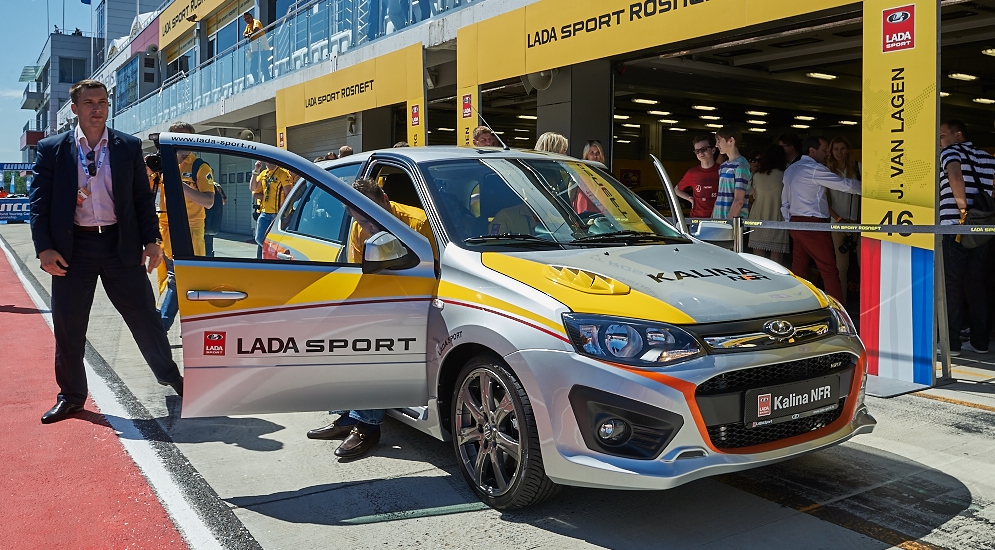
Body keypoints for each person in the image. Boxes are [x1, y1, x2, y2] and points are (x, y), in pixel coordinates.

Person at [30, 80, 182, 424]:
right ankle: (71, 397)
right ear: (75, 108)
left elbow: (142, 198)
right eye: (89, 103)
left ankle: (172, 378)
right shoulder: (52, 149)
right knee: (68, 326)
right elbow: (39, 204)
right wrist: (44, 249)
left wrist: (152, 240)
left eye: (102, 102)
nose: (97, 108)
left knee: (145, 318)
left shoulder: (127, 146)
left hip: (119, 244)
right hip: (73, 248)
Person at [307, 178, 434, 458]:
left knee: (374, 342)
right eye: (362, 221)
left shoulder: (418, 224)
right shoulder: (359, 229)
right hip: (380, 301)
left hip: (414, 303)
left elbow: (433, 273)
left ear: (385, 200)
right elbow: (360, 275)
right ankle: (348, 416)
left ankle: (367, 425)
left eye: (373, 217)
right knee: (341, 337)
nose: (369, 227)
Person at [150, 122, 216, 330]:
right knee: (181, 282)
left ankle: (161, 327)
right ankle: (192, 326)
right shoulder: (162, 166)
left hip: (189, 233)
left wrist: (178, 185)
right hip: (165, 232)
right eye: (178, 139)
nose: (182, 144)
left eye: (187, 139)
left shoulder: (200, 167)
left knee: (178, 280)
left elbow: (209, 201)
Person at [780, 136, 861, 303]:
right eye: (824, 150)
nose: (827, 154)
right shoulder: (815, 169)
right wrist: (874, 190)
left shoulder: (791, 169)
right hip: (814, 224)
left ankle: (798, 305)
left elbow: (784, 202)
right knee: (829, 270)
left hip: (795, 223)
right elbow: (845, 185)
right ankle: (837, 310)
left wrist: (790, 222)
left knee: (799, 269)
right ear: (812, 150)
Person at [939, 120, 995, 355]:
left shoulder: (950, 152)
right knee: (977, 285)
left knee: (951, 285)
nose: (939, 141)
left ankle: (951, 344)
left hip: (955, 227)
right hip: (983, 231)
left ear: (958, 134)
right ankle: (980, 342)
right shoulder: (988, 158)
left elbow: (955, 176)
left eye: (942, 135)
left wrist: (963, 212)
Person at [826, 136, 862, 298]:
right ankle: (842, 303)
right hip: (837, 222)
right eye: (836, 149)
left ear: (848, 150)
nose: (839, 152)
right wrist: (839, 219)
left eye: (842, 149)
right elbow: (823, 201)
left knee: (864, 265)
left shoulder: (858, 168)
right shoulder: (827, 171)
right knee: (841, 267)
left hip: (858, 222)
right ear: (831, 151)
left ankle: (865, 303)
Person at [747, 144, 790, 265]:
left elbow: (754, 195)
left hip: (758, 217)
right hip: (778, 218)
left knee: (758, 259)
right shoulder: (785, 175)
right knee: (776, 260)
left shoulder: (757, 176)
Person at [250, 161, 294, 258]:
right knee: (259, 239)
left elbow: (289, 194)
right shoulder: (263, 173)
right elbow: (253, 188)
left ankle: (273, 257)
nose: (271, 163)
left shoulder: (283, 173)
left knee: (274, 240)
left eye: (273, 161)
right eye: (268, 161)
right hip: (265, 213)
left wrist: (283, 212)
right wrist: (256, 171)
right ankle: (270, 254)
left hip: (277, 214)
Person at [675, 135, 720, 219]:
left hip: (718, 219)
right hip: (696, 219)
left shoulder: (722, 170)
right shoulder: (692, 172)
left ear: (713, 150)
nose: (700, 153)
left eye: (704, 149)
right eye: (697, 151)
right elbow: (676, 190)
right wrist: (689, 198)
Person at [711, 126, 751, 220]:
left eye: (719, 140)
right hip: (718, 221)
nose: (716, 145)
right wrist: (712, 219)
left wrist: (729, 223)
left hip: (732, 223)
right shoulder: (723, 166)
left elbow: (739, 201)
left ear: (731, 141)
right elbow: (719, 196)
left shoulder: (741, 166)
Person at [242, 12, 268, 85]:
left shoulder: (256, 22)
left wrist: (249, 34)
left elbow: (256, 29)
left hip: (263, 48)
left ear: (252, 17)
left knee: (263, 66)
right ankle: (258, 82)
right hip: (255, 50)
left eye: (248, 18)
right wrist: (248, 35)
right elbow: (244, 35)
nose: (247, 20)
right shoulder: (248, 26)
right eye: (245, 19)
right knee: (252, 69)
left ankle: (267, 80)